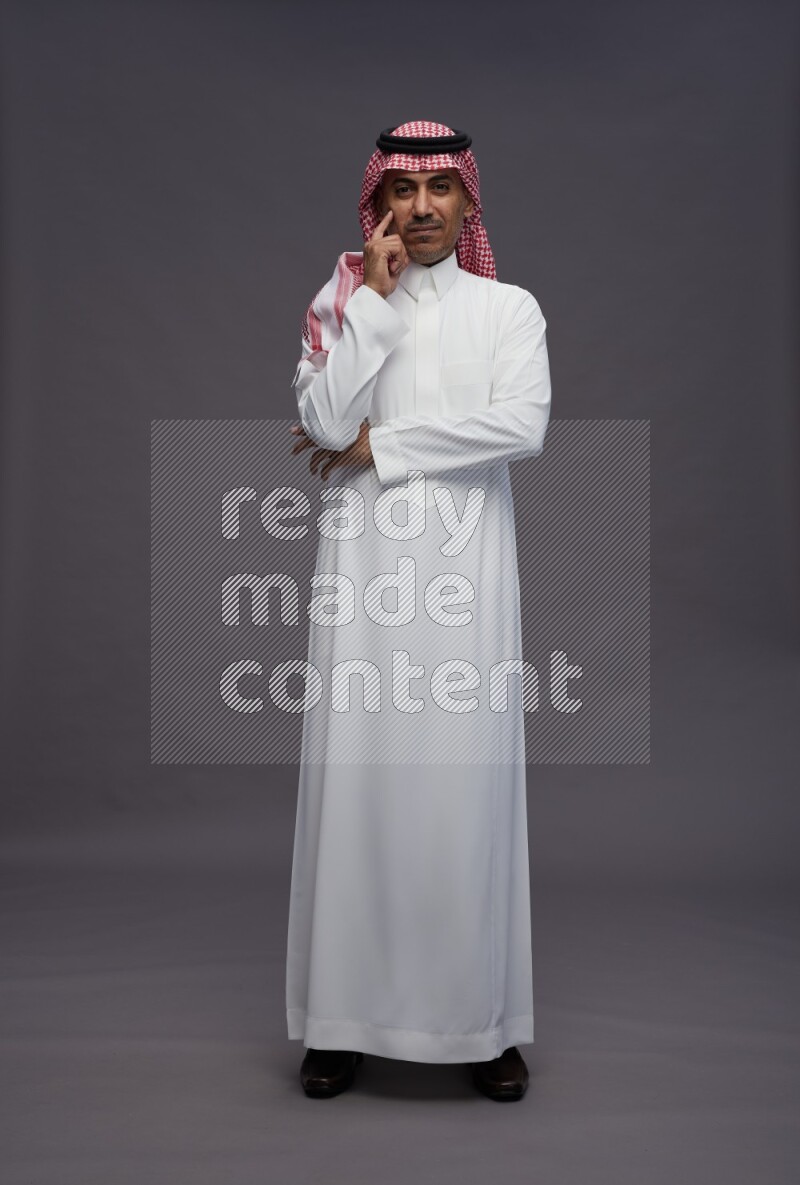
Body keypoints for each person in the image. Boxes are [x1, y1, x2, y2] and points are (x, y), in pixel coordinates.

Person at [285, 120, 552, 1101]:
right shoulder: (342, 300)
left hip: (465, 581)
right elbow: (320, 420)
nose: (425, 208)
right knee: (355, 788)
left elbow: (518, 424)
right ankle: (336, 1023)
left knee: (461, 795)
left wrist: (381, 449)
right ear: (379, 204)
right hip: (362, 579)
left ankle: (479, 1026)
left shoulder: (507, 308)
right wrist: (376, 308)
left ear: (469, 204)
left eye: (443, 189)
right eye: (405, 190)